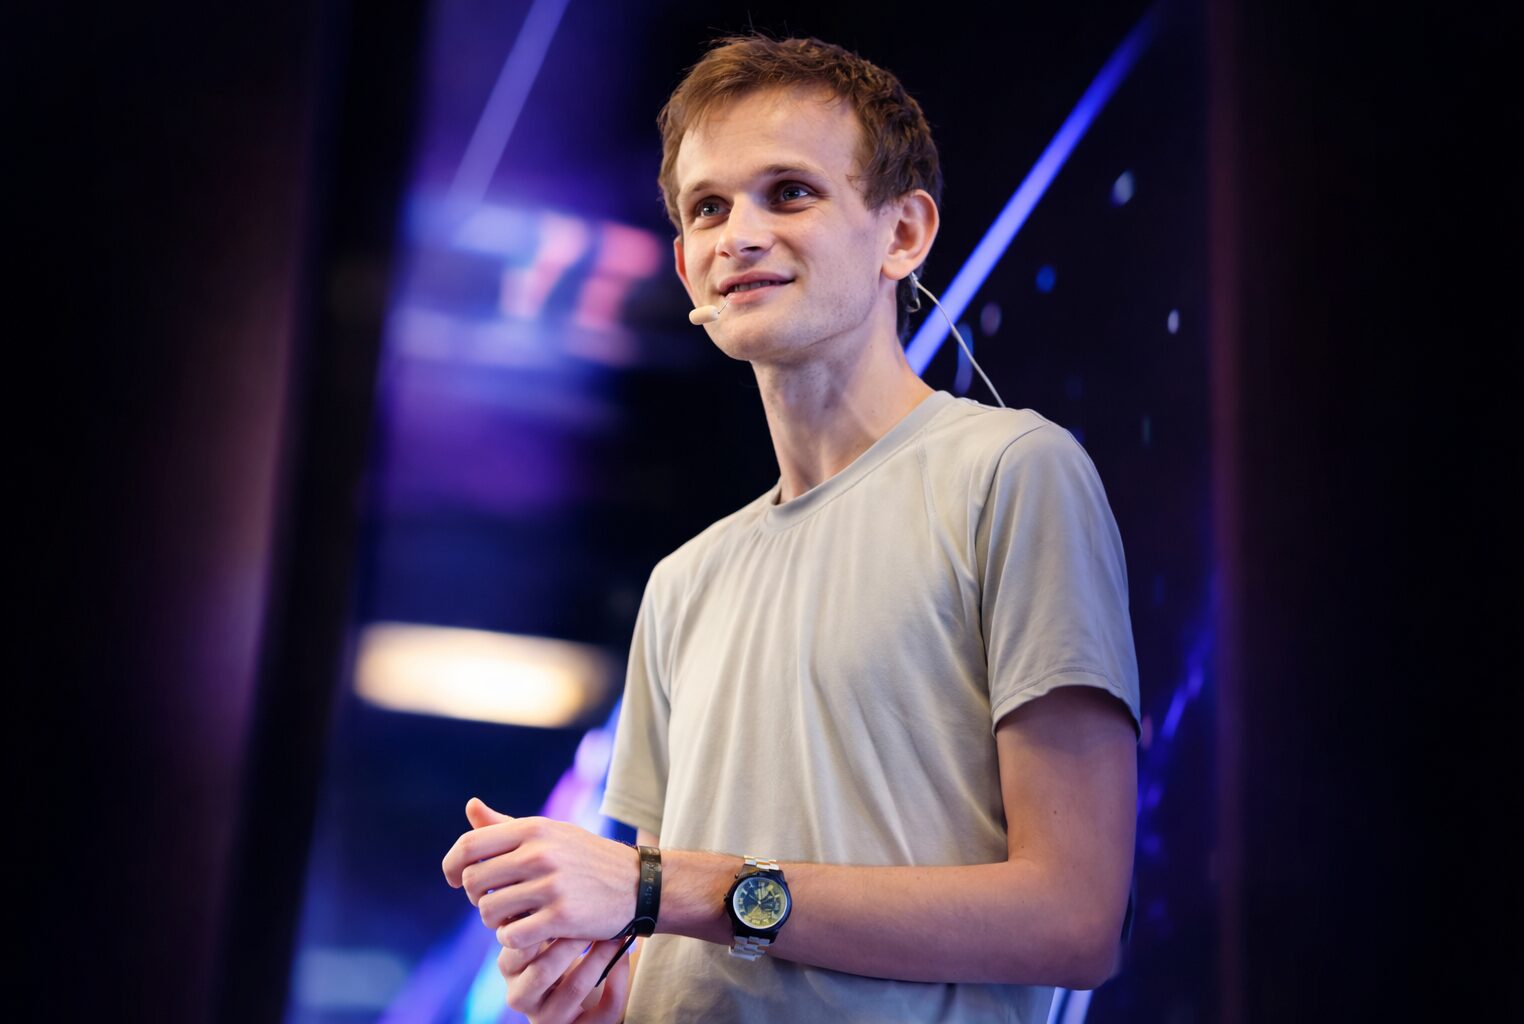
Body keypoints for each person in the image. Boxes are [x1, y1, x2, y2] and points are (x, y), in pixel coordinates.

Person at [442, 34, 1141, 1023]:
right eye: (708, 208)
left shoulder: (1012, 474)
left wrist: (662, 888)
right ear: (686, 267)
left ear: (904, 233)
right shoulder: (683, 584)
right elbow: (696, 941)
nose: (739, 235)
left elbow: (1074, 918)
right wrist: (598, 991)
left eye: (790, 193)